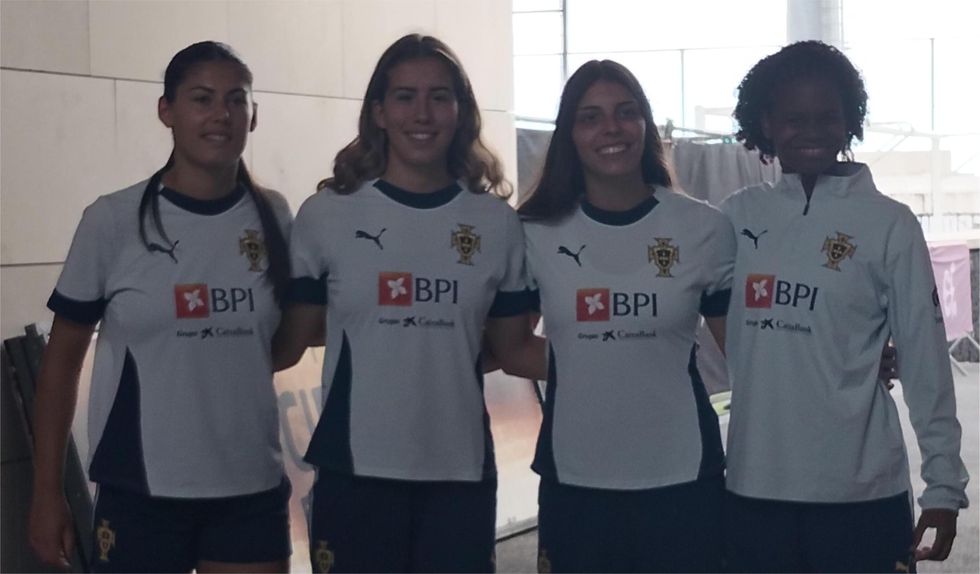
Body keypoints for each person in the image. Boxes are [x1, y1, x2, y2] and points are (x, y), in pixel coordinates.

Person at [272, 34, 537, 573]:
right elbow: (294, 337)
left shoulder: (495, 223)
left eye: (439, 96)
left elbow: (507, 349)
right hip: (355, 471)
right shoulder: (326, 215)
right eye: (405, 96)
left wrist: (623, 353)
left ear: (460, 111)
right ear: (378, 112)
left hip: (459, 473)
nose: (423, 112)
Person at [28, 41, 293, 573]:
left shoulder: (275, 217)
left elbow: (278, 347)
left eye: (236, 100)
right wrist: (46, 491)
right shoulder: (112, 220)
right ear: (166, 111)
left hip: (250, 489)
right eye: (202, 98)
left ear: (254, 116)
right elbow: (61, 363)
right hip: (141, 492)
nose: (221, 114)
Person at [721, 40, 970, 573]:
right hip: (753, 486)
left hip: (863, 493)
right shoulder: (734, 219)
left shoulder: (890, 224)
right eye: (793, 117)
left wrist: (944, 485)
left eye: (826, 116)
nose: (811, 130)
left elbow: (927, 365)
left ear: (849, 121)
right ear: (765, 122)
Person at [513, 59, 734, 573]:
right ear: (569, 134)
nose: (610, 128)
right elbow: (511, 349)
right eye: (590, 117)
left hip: (684, 476)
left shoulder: (702, 227)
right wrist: (598, 357)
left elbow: (747, 350)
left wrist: (844, 356)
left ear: (645, 124)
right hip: (576, 479)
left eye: (625, 112)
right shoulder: (533, 232)